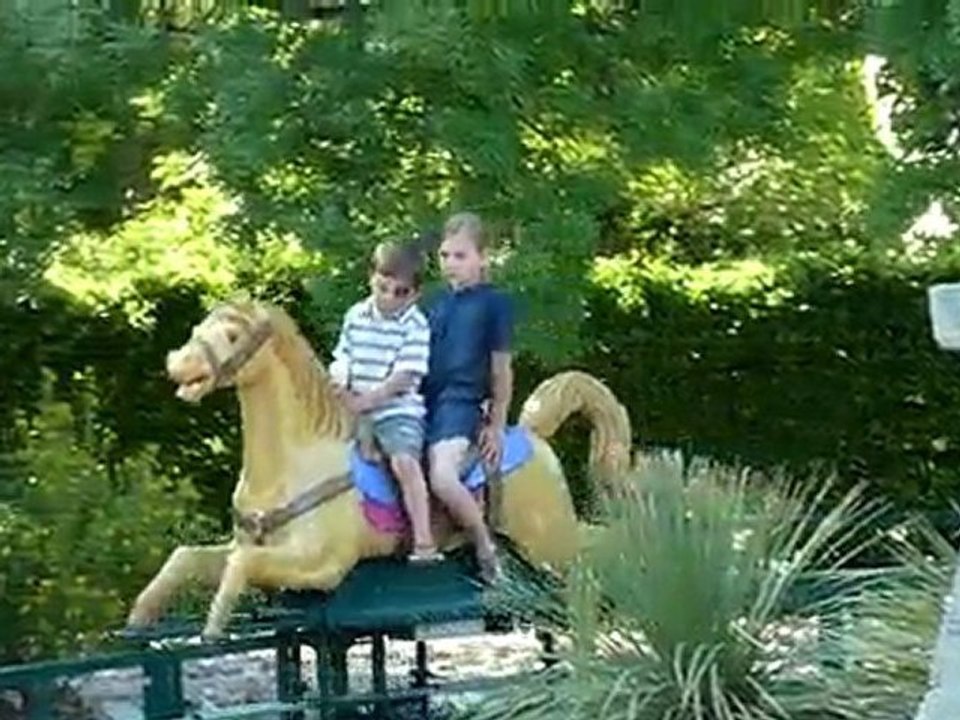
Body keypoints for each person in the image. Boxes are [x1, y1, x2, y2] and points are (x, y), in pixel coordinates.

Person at [329, 241, 442, 564]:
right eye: (383, 287)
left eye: (401, 292)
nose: (390, 298)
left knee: (404, 463)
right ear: (371, 279)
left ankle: (423, 540)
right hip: (354, 404)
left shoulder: (415, 325)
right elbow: (344, 355)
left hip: (396, 410)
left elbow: (404, 376)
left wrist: (367, 401)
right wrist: (340, 381)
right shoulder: (356, 315)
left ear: (416, 294)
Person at [422, 211, 514, 582]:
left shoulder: (494, 304)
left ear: (482, 258)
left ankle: (484, 546)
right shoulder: (436, 304)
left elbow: (501, 369)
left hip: (460, 405)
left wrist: (496, 424)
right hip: (425, 401)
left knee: (442, 477)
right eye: (445, 256)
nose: (450, 264)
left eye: (460, 256)